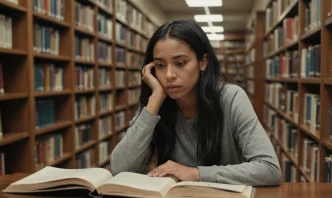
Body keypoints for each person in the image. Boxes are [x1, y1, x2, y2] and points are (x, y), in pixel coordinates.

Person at [110, 20, 281, 186]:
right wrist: (155, 100)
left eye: (180, 63)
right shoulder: (156, 103)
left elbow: (269, 169)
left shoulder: (232, 98)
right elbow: (120, 168)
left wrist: (195, 173)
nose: (169, 74)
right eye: (160, 65)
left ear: (203, 62)